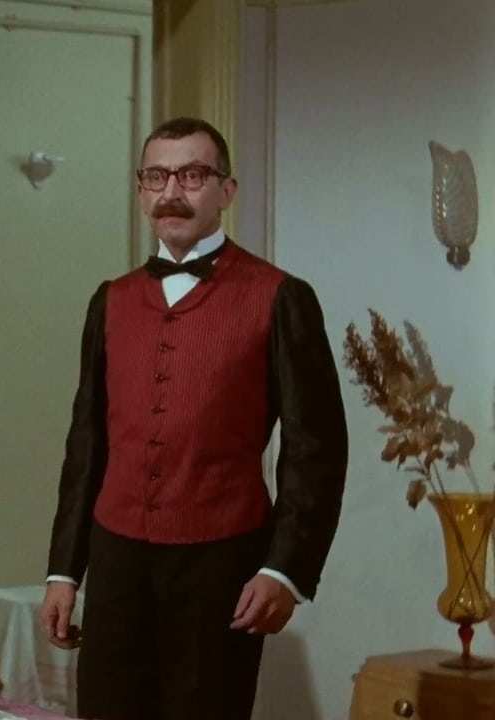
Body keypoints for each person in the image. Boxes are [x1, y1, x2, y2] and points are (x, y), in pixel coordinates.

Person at [39, 117, 349, 720]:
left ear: (226, 191)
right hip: (116, 559)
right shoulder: (110, 300)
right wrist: (64, 571)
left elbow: (316, 449)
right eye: (156, 176)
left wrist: (285, 569)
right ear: (140, 191)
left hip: (222, 562)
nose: (171, 192)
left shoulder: (281, 296)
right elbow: (87, 444)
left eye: (192, 175)